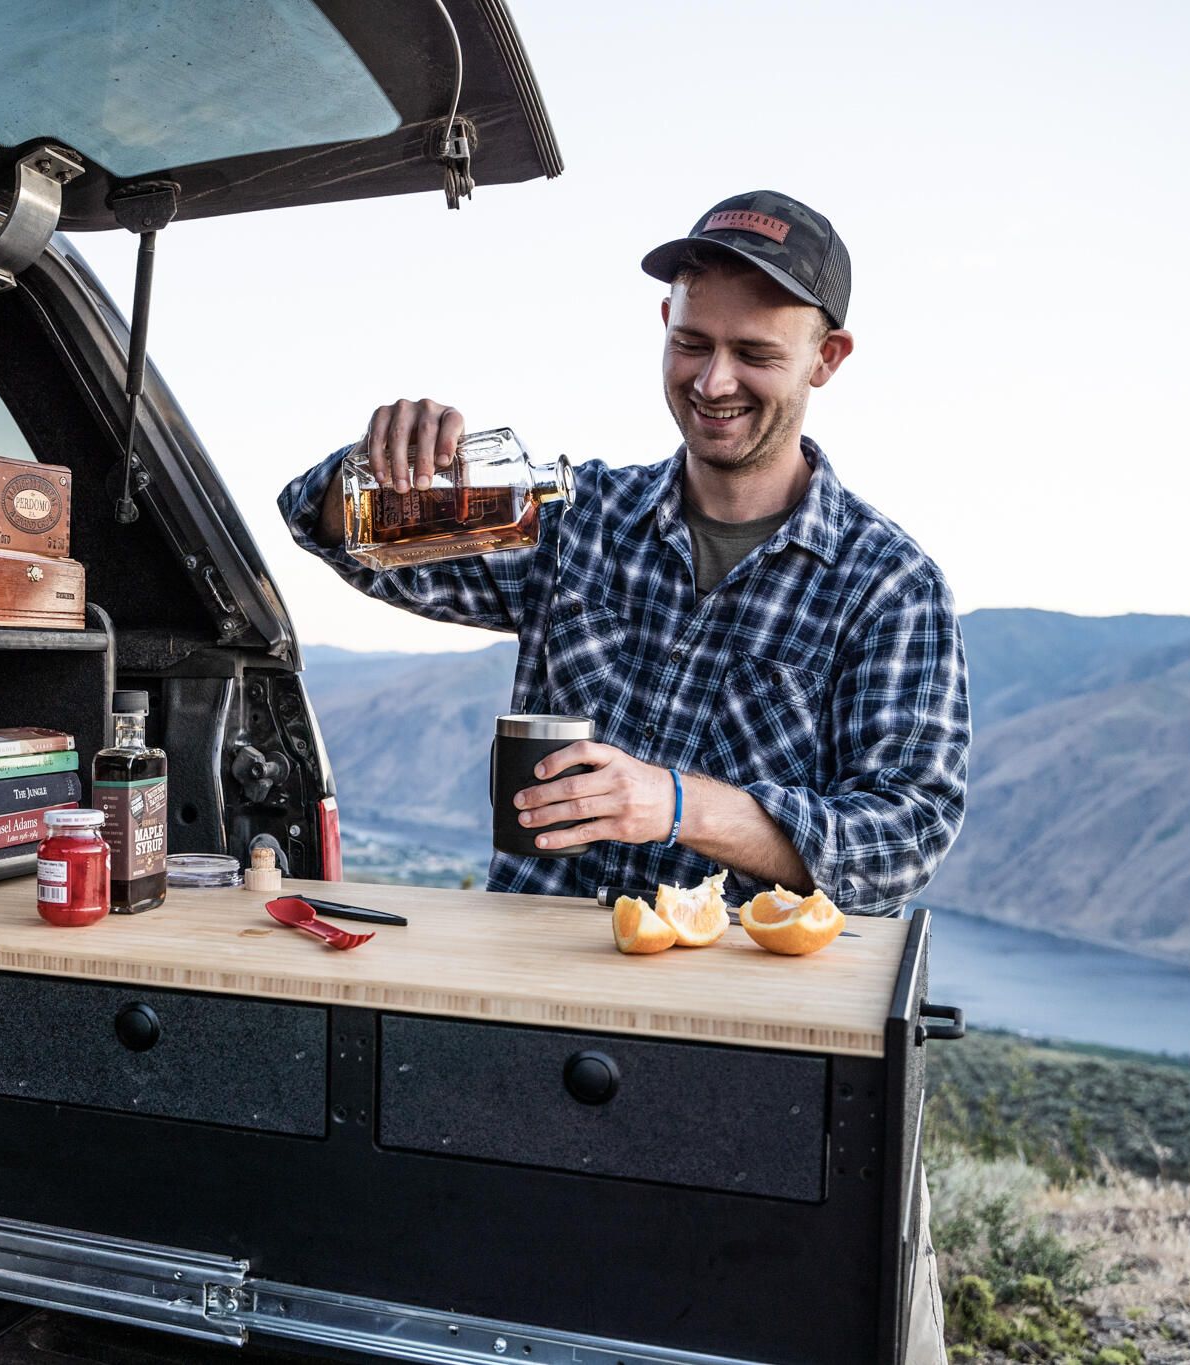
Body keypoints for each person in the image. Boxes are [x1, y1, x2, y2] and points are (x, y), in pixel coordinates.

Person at [279, 190, 965, 1361]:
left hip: (738, 1062)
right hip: (517, 1023)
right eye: (690, 342)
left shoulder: (885, 582)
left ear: (826, 359)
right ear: (663, 321)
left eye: (754, 353)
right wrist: (373, 459)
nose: (712, 380)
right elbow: (323, 530)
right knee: (483, 1310)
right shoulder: (569, 516)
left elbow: (906, 829)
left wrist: (676, 804)